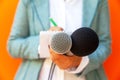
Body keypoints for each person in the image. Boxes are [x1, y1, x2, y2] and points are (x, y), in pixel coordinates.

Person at [7, 0, 111, 80]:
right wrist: (45, 43)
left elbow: (104, 44)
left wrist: (79, 61)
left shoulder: (98, 2)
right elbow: (13, 44)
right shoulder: (29, 1)